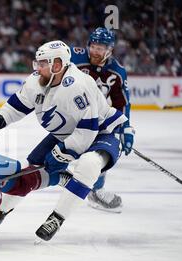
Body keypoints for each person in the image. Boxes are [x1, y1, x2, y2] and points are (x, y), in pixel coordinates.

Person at [0, 40, 130, 242]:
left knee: (89, 164)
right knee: (29, 170)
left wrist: (61, 153)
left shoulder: (77, 85)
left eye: (43, 63)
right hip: (66, 133)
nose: (37, 68)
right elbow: (15, 108)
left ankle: (57, 218)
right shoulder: (37, 81)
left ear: (57, 64)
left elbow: (87, 132)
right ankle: (1, 211)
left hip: (102, 132)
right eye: (38, 63)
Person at [71, 27, 135, 213]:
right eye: (93, 46)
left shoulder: (117, 72)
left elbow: (121, 103)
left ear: (110, 50)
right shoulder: (74, 58)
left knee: (104, 147)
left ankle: (96, 190)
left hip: (93, 117)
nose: (95, 51)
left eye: (100, 48)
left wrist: (125, 128)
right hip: (67, 114)